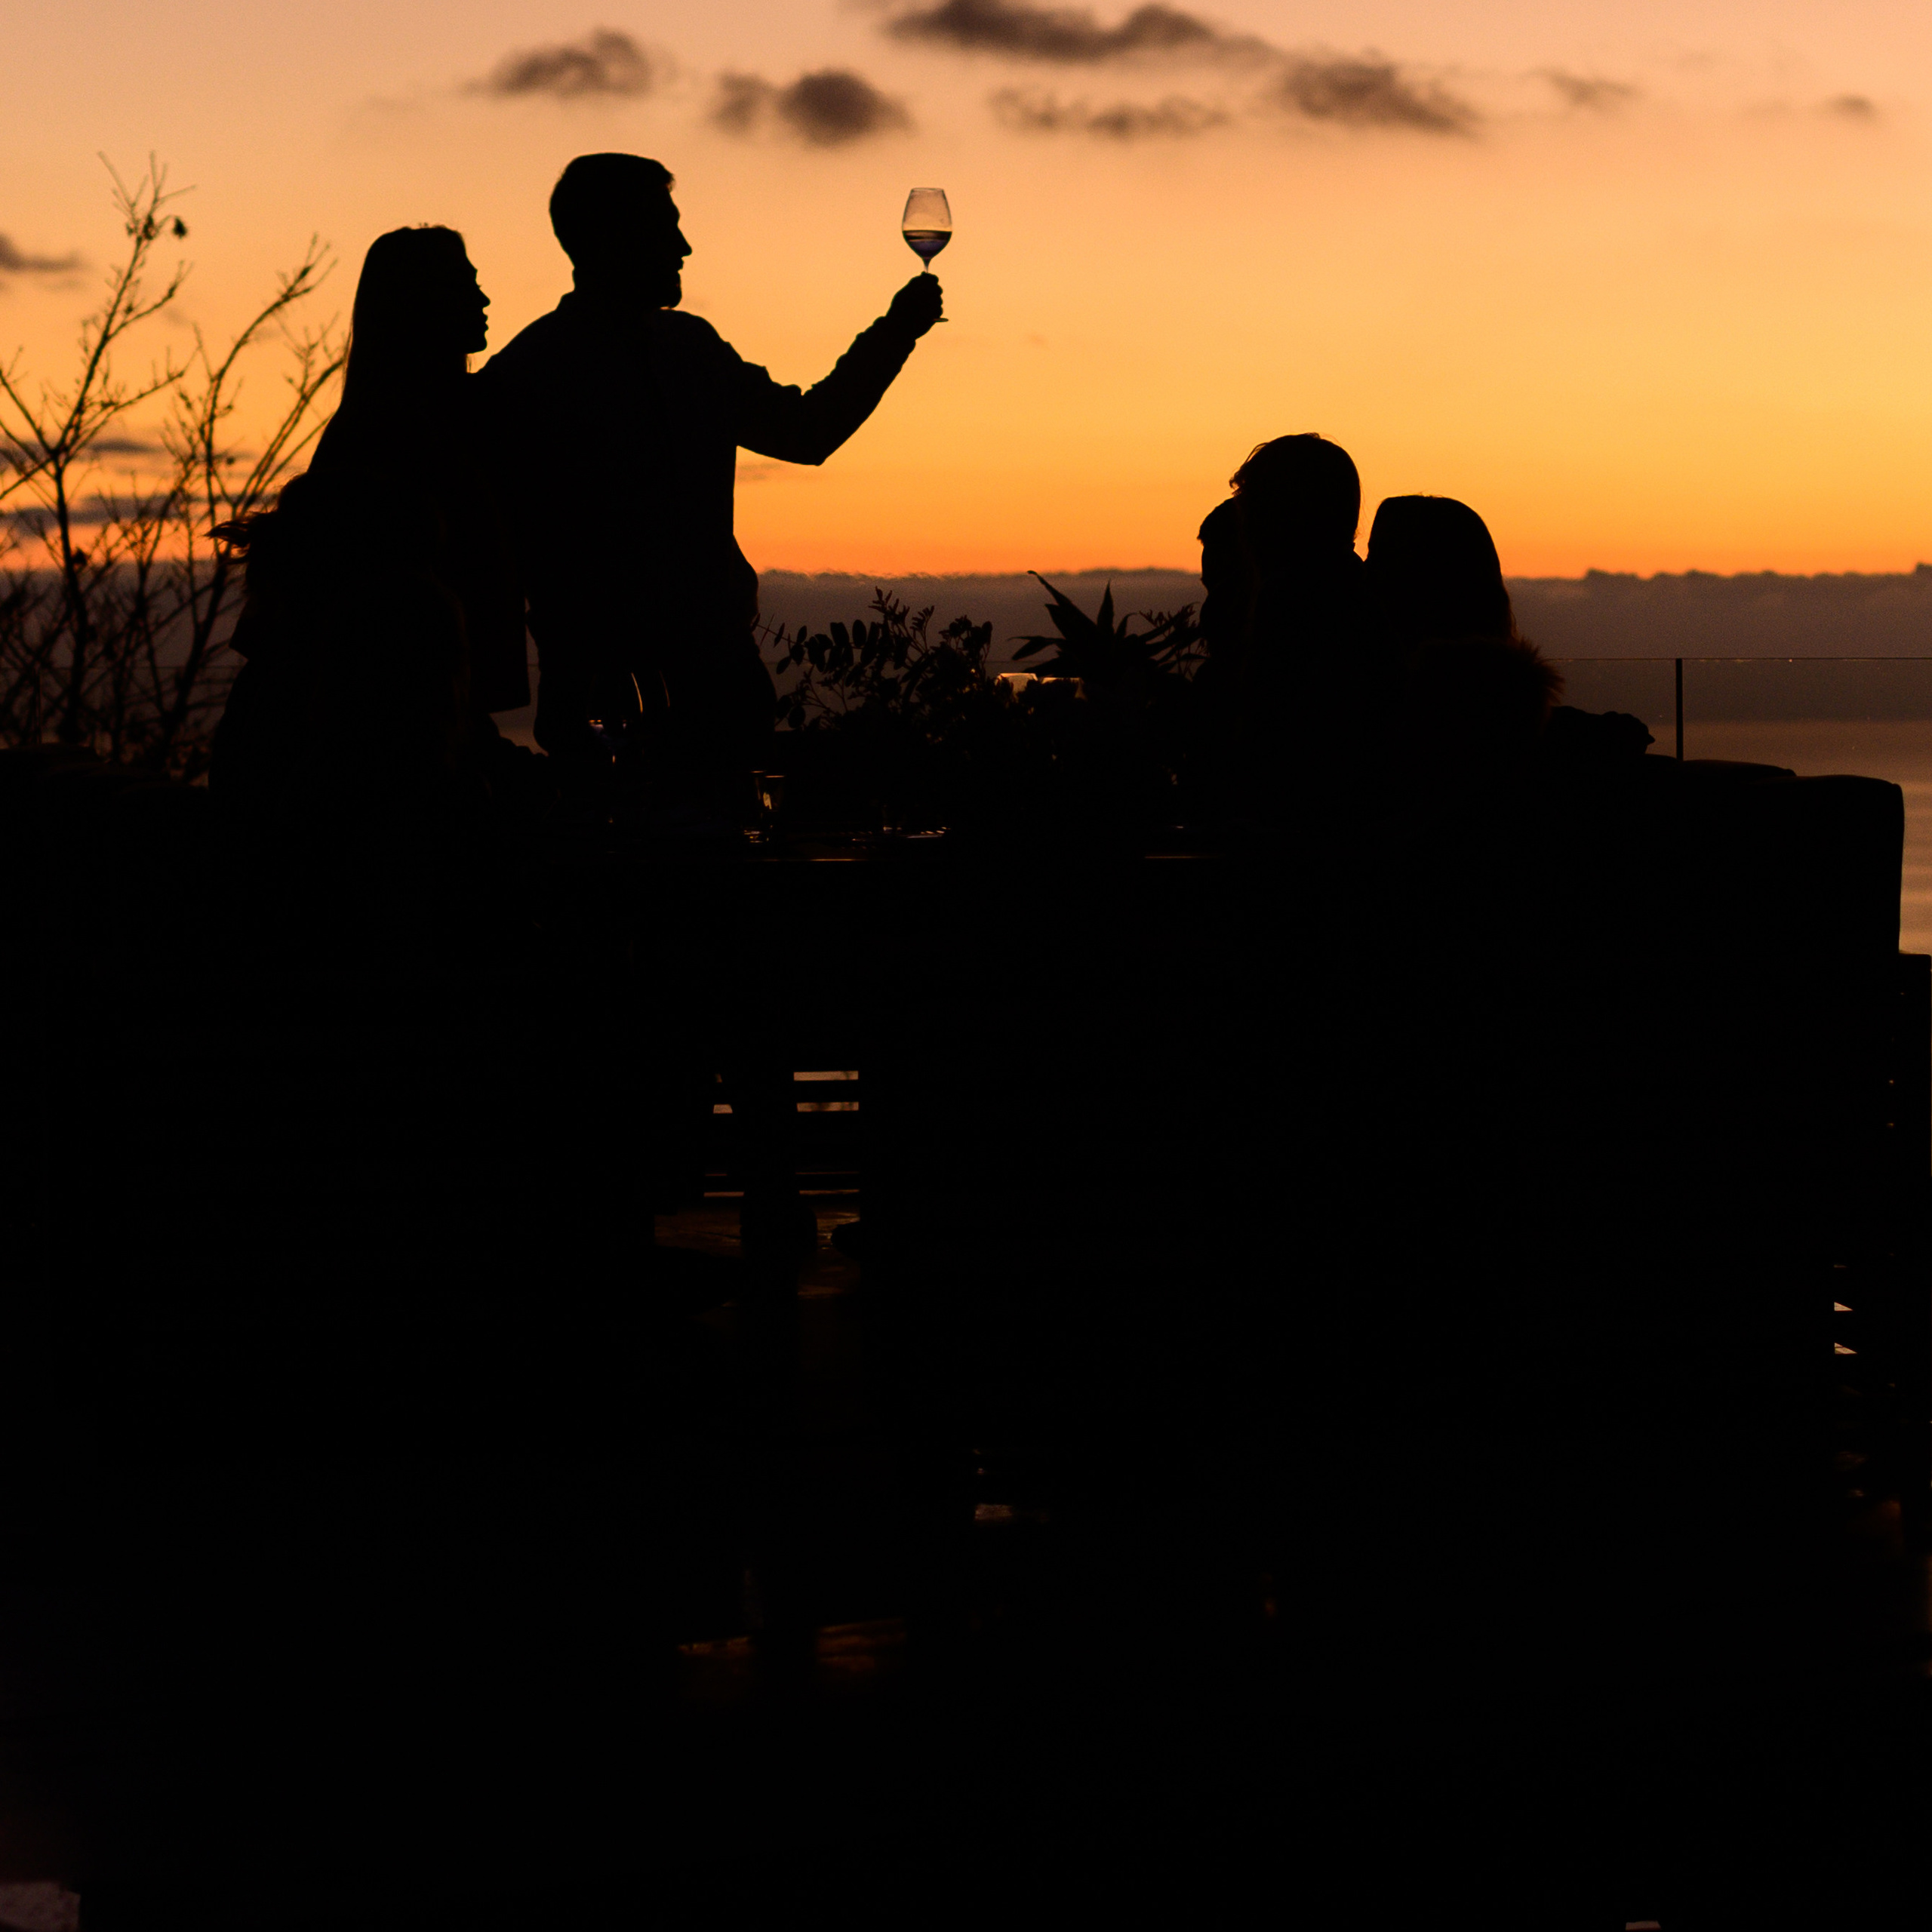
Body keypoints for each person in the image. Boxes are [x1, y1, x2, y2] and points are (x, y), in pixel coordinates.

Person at [477, 152, 944, 818]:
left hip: (716, 687)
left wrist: (897, 332)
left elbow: (806, 432)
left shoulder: (684, 349)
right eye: (665, 227)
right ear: (615, 237)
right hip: (606, 705)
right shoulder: (533, 376)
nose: (684, 246)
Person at [211, 224, 527, 826]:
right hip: (388, 737)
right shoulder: (390, 436)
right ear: (421, 303)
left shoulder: (442, 422)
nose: (484, 302)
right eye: (466, 287)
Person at [1192, 434, 1371, 822]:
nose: (1245, 520)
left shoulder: (1294, 598)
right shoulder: (1356, 589)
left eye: (1253, 503)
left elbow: (1266, 742)